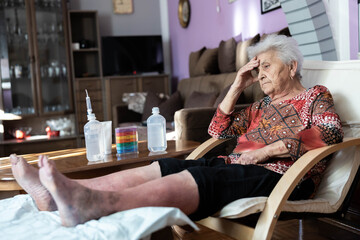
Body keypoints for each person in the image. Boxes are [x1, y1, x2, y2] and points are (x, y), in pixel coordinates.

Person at [10, 34, 343, 227]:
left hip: (281, 177)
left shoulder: (315, 97)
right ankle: (59, 194)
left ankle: (91, 205)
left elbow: (329, 135)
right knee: (166, 166)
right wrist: (238, 84)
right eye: (258, 70)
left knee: (201, 178)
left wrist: (264, 151)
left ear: (292, 66)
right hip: (238, 166)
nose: (262, 75)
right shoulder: (259, 107)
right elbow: (217, 130)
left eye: (266, 66)